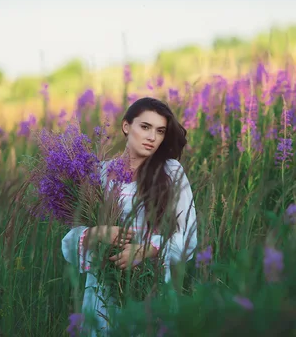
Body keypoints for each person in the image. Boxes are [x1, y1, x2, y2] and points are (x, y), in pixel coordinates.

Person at [61, 97, 198, 335]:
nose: (152, 137)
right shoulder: (99, 174)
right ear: (126, 126)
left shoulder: (171, 171)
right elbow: (69, 243)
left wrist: (147, 249)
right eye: (145, 127)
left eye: (160, 131)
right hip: (103, 294)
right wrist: (97, 234)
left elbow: (188, 239)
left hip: (150, 292)